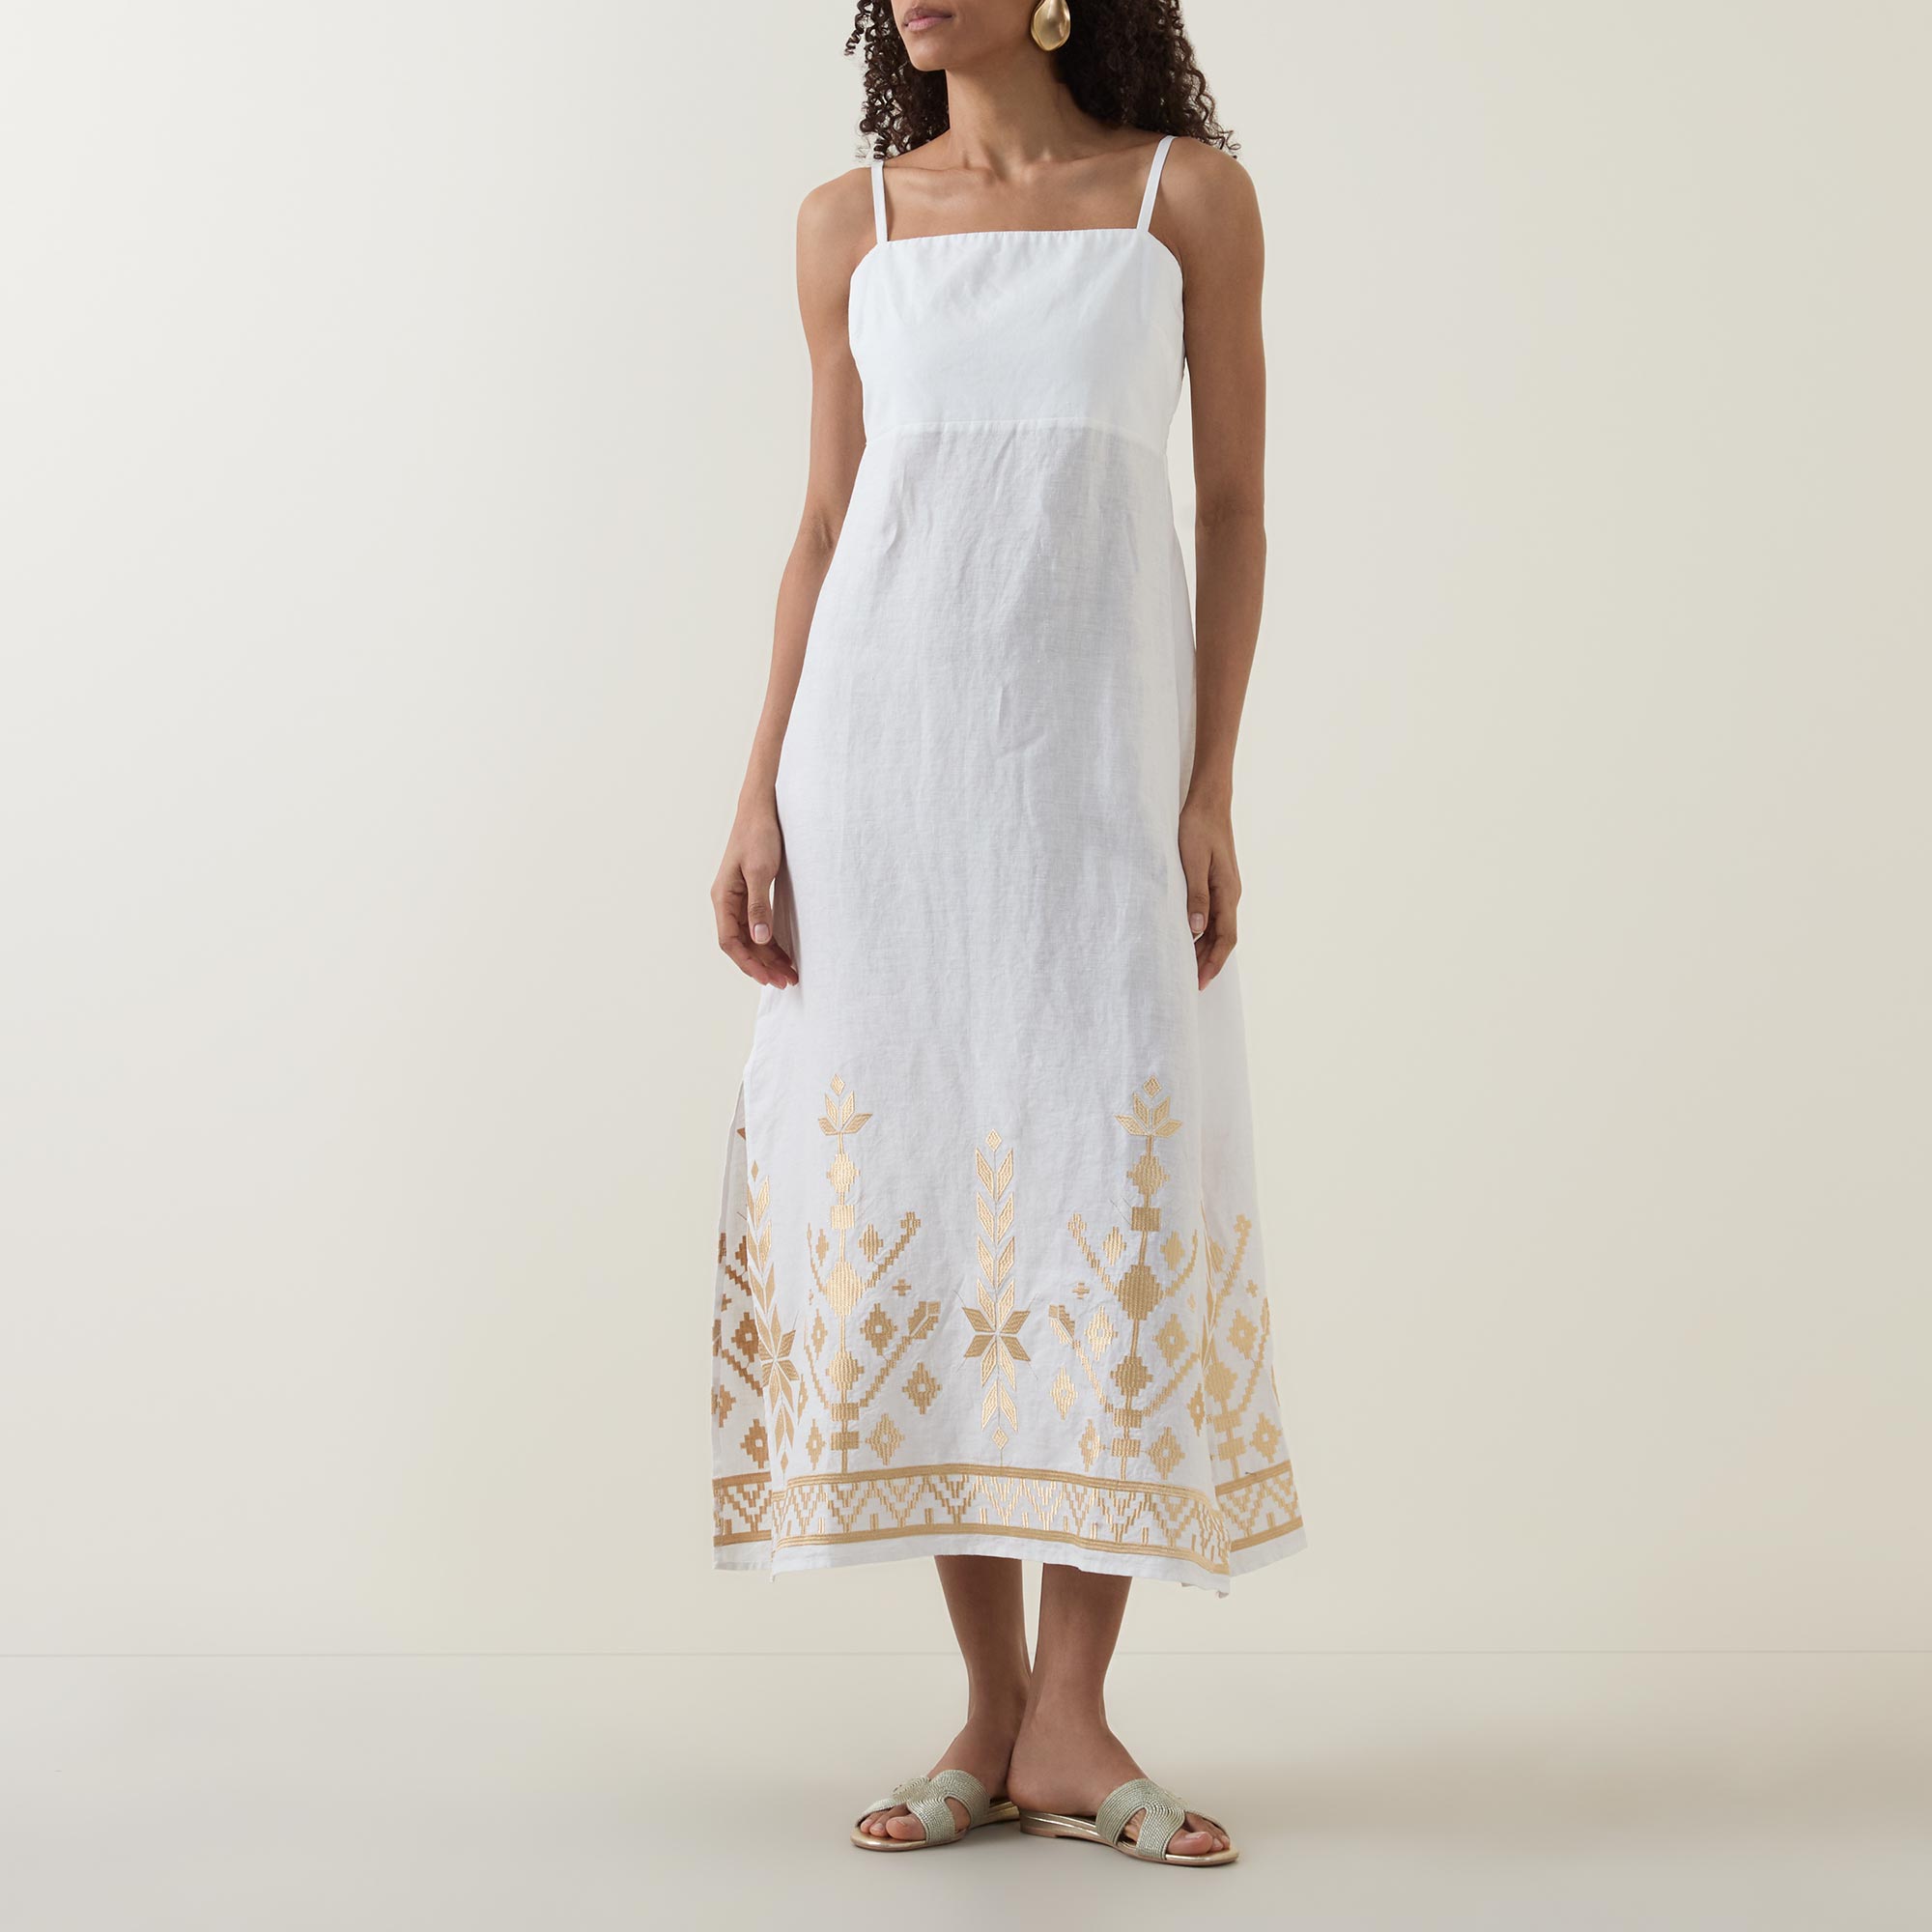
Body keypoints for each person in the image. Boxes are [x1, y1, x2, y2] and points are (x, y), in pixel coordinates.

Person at [708, 0, 1304, 1866]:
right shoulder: (850, 223)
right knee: (921, 1199)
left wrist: (1208, 785)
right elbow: (826, 521)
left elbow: (1231, 505)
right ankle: (990, 1711)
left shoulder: (1183, 203)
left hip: (1090, 786)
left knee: (1095, 1190)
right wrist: (758, 791)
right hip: (880, 787)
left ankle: (1075, 1715)